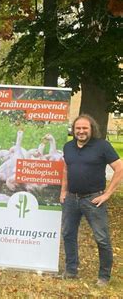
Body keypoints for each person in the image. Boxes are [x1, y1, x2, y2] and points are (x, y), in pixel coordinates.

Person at [60, 114, 122, 287]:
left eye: (84, 128)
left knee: (101, 238)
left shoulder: (102, 146)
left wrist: (107, 194)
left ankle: (104, 277)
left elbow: (119, 168)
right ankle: (71, 270)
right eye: (78, 128)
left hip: (93, 199)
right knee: (68, 234)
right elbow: (66, 169)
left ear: (91, 129)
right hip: (72, 198)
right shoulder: (68, 147)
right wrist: (63, 191)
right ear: (73, 130)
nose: (81, 131)